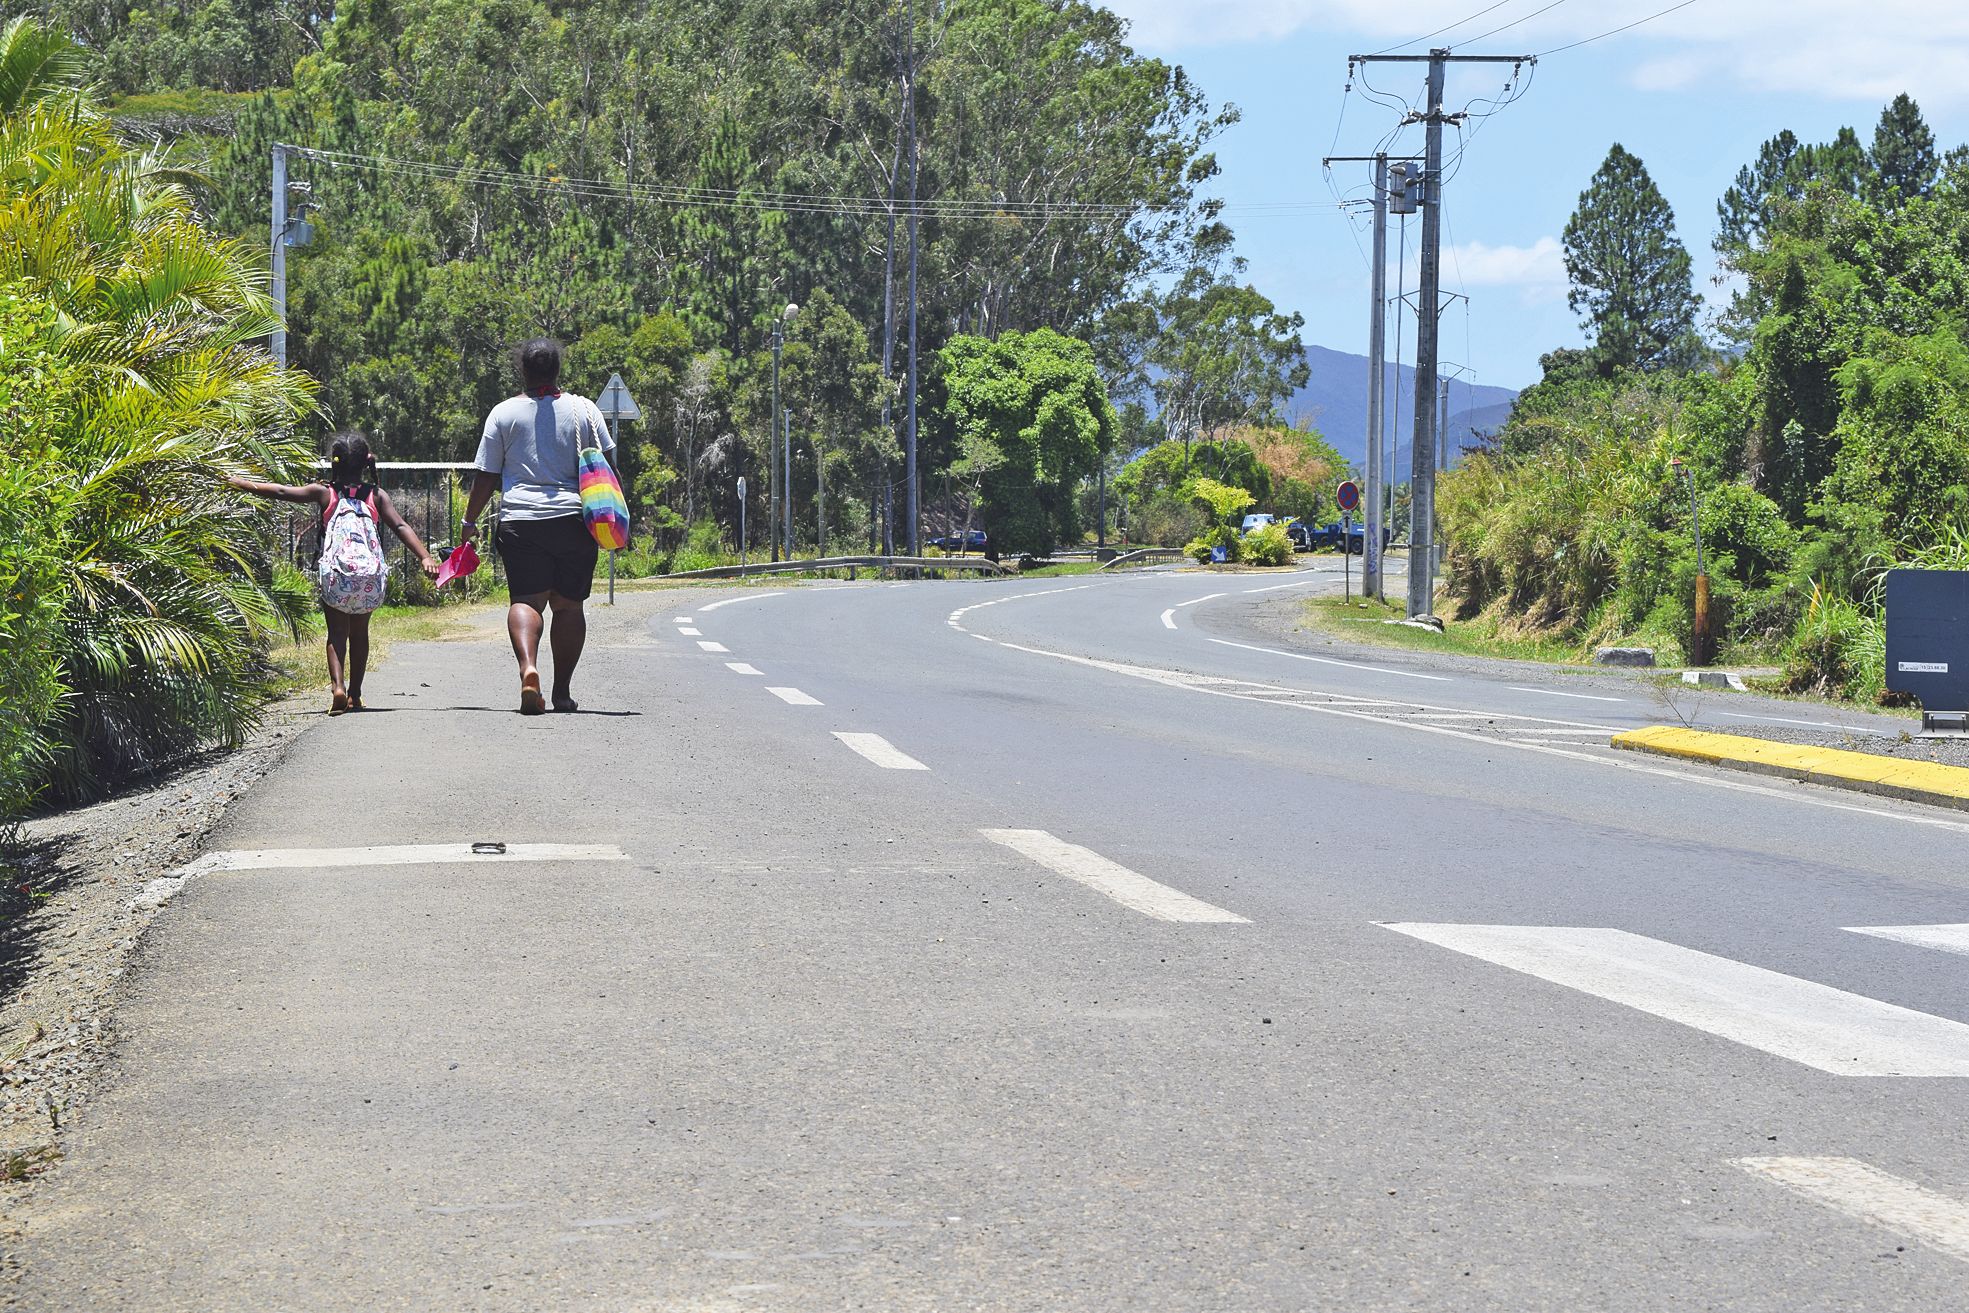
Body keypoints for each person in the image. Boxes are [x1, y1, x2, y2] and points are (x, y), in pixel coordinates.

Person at [228, 433, 440, 715]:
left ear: (334, 462)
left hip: (337, 576)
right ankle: (355, 694)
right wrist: (425, 556)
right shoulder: (376, 495)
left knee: (336, 633)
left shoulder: (325, 492)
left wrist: (241, 483)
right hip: (368, 578)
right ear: (367, 461)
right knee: (360, 634)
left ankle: (338, 687)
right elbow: (400, 526)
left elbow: (281, 492)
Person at [459, 338, 615, 715]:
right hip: (574, 522)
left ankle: (528, 669)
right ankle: (561, 693)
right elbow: (609, 470)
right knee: (568, 606)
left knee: (526, 602)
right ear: (557, 370)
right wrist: (619, 525)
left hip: (520, 523)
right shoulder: (585, 410)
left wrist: (469, 521)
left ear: (523, 371)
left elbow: (486, 476)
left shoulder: (503, 414)